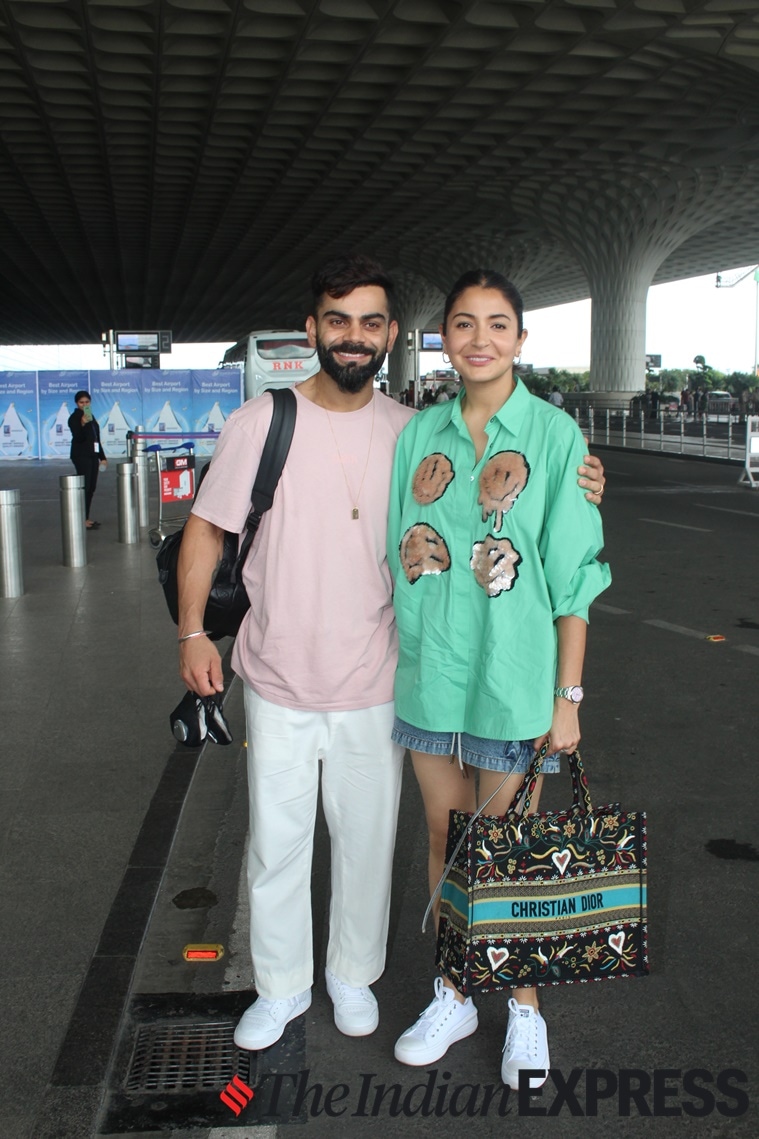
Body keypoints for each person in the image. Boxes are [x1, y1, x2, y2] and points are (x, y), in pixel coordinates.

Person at [176, 254, 607, 1054]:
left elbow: (560, 556)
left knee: (425, 847)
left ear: (393, 336)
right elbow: (208, 526)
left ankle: (412, 987)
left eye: (370, 323)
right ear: (312, 329)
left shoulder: (451, 432)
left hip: (416, 681)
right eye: (337, 321)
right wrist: (192, 630)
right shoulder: (292, 425)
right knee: (310, 843)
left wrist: (582, 477)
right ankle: (303, 988)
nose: (353, 336)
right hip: (331, 678)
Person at [387, 269, 611, 1089]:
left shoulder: (554, 437)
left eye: (497, 323)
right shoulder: (418, 436)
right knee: (445, 840)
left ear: (520, 338)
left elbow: (573, 573)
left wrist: (568, 693)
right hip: (430, 676)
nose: (479, 337)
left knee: (510, 851)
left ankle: (523, 1007)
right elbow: (393, 548)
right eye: (462, 322)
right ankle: (454, 990)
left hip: (514, 683)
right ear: (443, 335)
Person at [68, 390, 107, 529]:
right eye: (81, 402)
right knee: (84, 487)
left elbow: (96, 438)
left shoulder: (91, 416)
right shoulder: (74, 418)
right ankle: (80, 518)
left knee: (91, 487)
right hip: (81, 455)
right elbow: (78, 437)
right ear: (77, 403)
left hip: (92, 455)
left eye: (87, 402)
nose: (84, 405)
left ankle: (85, 517)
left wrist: (102, 457)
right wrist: (82, 424)